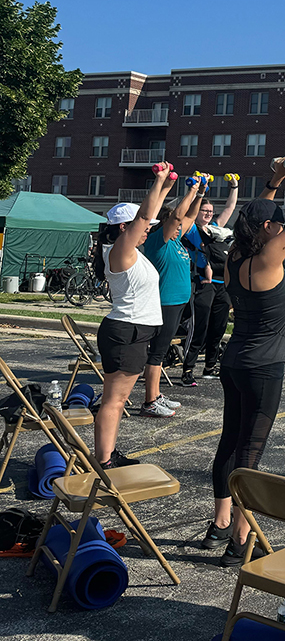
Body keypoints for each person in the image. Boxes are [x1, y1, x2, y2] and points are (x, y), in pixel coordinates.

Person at [202, 155, 285, 566]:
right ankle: (239, 537)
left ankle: (218, 524)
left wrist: (275, 178)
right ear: (270, 229)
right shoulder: (270, 258)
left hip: (234, 363)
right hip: (263, 368)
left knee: (229, 442)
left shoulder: (235, 256)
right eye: (278, 224)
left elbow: (254, 216)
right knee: (250, 453)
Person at [93, 166, 176, 468]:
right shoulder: (119, 249)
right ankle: (103, 461)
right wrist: (156, 180)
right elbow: (143, 217)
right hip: (127, 331)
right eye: (142, 227)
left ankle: (108, 454)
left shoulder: (133, 250)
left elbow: (150, 217)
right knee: (114, 401)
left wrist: (166, 187)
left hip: (134, 332)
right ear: (125, 227)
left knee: (117, 400)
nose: (148, 230)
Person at [139, 177, 208, 416]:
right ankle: (149, 401)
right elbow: (179, 217)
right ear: (166, 224)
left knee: (162, 350)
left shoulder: (176, 239)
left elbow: (187, 219)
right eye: (175, 224)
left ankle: (156, 395)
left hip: (178, 302)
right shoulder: (159, 241)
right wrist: (191, 190)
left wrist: (200, 195)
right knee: (157, 351)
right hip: (164, 303)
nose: (180, 227)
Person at [181, 181, 240, 384]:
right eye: (204, 210)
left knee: (218, 328)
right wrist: (199, 191)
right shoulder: (190, 230)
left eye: (210, 211)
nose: (208, 214)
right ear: (197, 211)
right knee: (200, 327)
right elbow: (188, 216)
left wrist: (234, 187)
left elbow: (230, 208)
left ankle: (209, 367)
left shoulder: (216, 229)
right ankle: (187, 369)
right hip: (203, 283)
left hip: (221, 284)